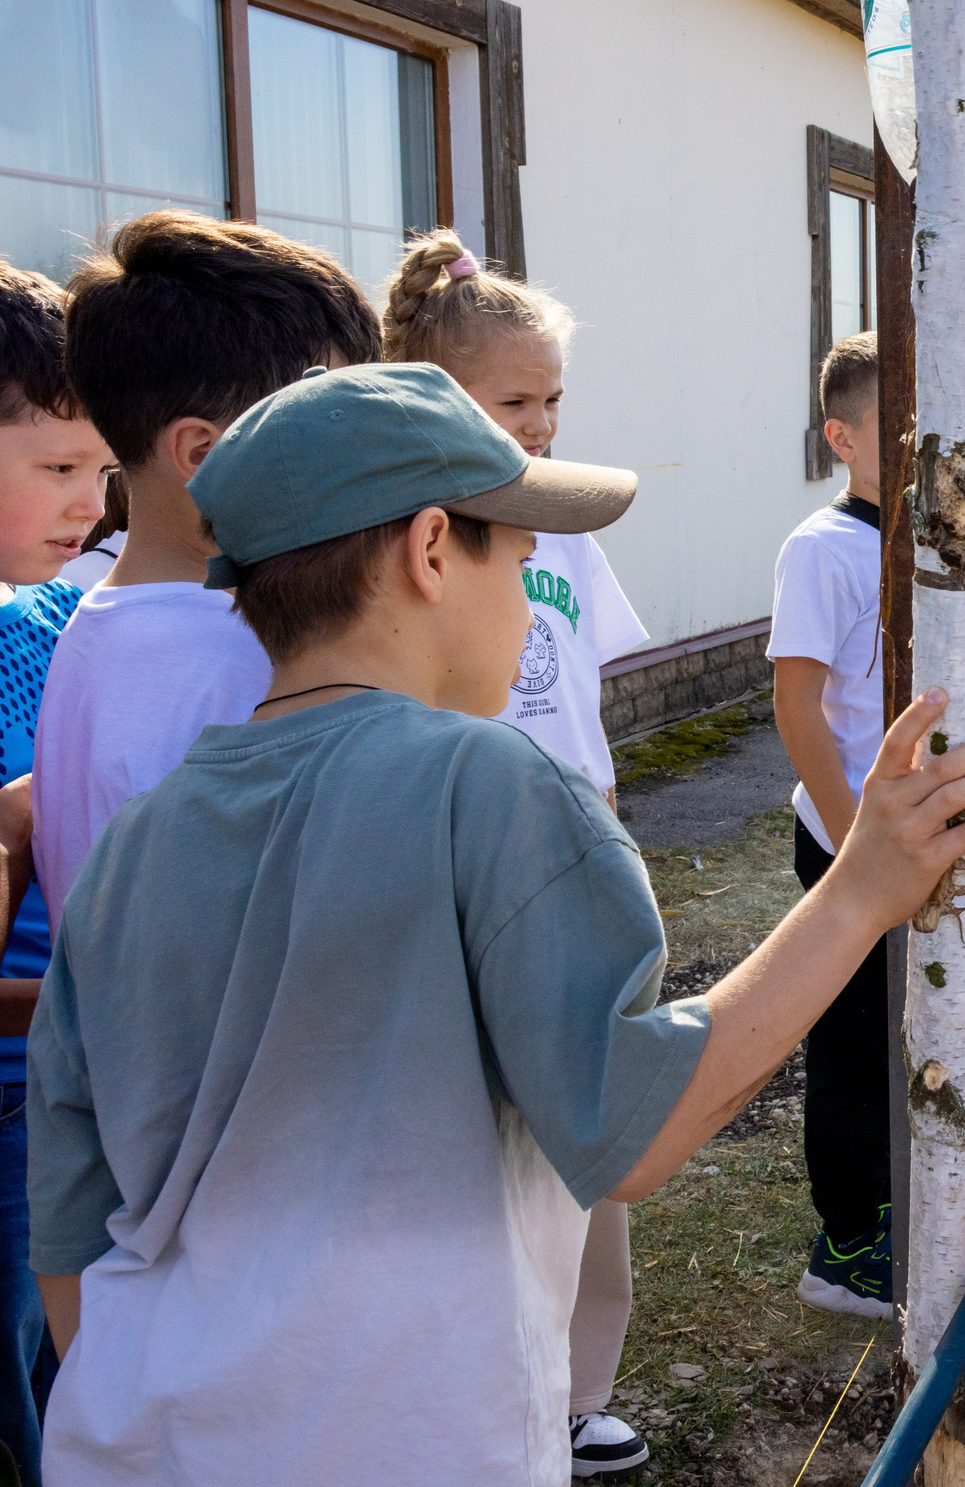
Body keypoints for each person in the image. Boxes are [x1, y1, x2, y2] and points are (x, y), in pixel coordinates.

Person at [25, 363, 965, 1485]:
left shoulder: (134, 843)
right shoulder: (484, 781)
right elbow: (632, 1125)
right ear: (431, 550)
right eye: (525, 559)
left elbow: (70, 1226)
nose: (535, 594)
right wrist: (862, 888)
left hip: (130, 1436)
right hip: (406, 1442)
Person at [380, 231, 651, 1476]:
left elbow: (585, 700)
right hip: (464, 858)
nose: (540, 425)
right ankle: (486, 1381)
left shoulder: (567, 527)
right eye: (514, 401)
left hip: (575, 842)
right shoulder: (406, 540)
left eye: (552, 399)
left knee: (586, 1124)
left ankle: (580, 1391)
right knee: (483, 1134)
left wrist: (612, 825)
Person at [31, 211, 379, 910]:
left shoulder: (101, 628)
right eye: (333, 423)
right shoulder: (252, 659)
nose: (362, 457)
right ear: (203, 454)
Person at [0, 263, 115, 1487]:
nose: (93, 501)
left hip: (58, 1093)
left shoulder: (55, 628)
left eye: (102, 467)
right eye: (60, 466)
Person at [767, 333, 893, 1316]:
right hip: (852, 838)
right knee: (852, 1040)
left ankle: (902, 1212)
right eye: (896, 425)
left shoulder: (938, 539)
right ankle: (845, 1249)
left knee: (911, 1027)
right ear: (840, 437)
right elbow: (799, 707)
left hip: (916, 835)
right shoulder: (823, 549)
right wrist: (856, 846)